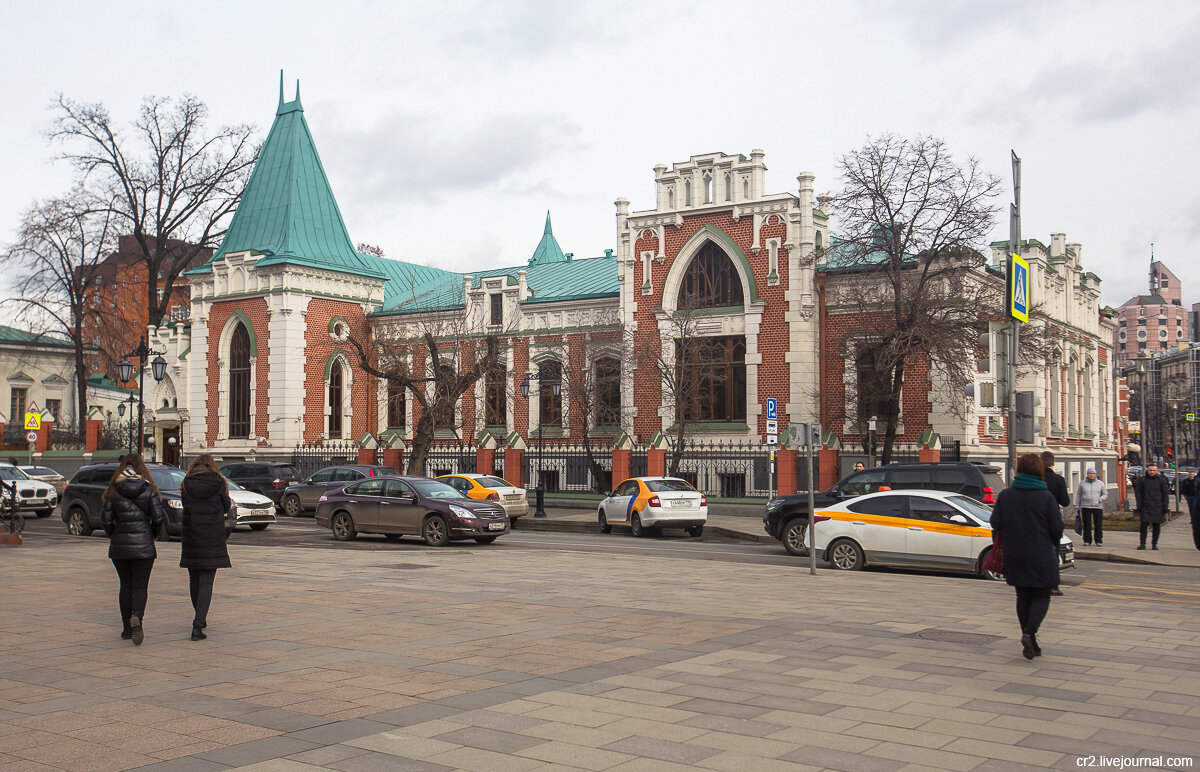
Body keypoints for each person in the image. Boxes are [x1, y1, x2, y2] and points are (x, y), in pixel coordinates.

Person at [990, 453, 1063, 660]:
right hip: (1041, 552)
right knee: (1042, 594)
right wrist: (1052, 542)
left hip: (1014, 552)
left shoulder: (1006, 495)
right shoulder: (1045, 496)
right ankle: (1030, 633)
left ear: (1019, 470)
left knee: (1022, 595)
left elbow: (995, 522)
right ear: (1040, 471)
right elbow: (1056, 528)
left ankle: (1031, 641)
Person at [101, 453, 165, 645]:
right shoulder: (149, 489)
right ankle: (137, 617)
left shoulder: (113, 490)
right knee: (140, 587)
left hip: (120, 546)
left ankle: (127, 629)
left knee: (125, 585)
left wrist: (115, 535)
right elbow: (158, 518)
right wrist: (150, 535)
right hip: (144, 545)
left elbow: (106, 520)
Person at [180, 454, 232, 641]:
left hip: (191, 536)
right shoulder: (218, 482)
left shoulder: (186, 483)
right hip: (212, 537)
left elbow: (185, 505)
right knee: (207, 582)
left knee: (194, 580)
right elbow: (226, 506)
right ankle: (199, 622)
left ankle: (199, 615)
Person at [1040, 452, 1070, 595]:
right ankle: (1053, 585)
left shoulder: (1036, 479)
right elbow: (1065, 502)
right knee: (1053, 553)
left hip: (1036, 520)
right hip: (1052, 519)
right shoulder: (1058, 480)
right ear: (1053, 463)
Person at [1133, 462, 1170, 550]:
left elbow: (1165, 494)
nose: (1152, 472)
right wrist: (1139, 505)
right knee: (1143, 526)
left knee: (1156, 526)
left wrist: (1165, 506)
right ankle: (1142, 544)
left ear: (1157, 471)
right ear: (1147, 470)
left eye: (1154, 470)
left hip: (1157, 507)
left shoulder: (1161, 480)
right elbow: (1138, 494)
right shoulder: (1142, 480)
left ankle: (1154, 544)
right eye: (1150, 470)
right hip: (1145, 507)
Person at [1074, 468, 1108, 547]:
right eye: (1090, 473)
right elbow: (1079, 494)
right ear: (1087, 474)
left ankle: (1098, 540)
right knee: (1087, 524)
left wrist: (1100, 499)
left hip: (1097, 507)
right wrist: (1077, 505)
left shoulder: (1100, 483)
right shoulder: (1082, 483)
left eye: (1093, 473)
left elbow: (1105, 494)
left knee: (1098, 524)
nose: (1091, 475)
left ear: (1095, 474)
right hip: (1085, 506)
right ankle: (1087, 540)